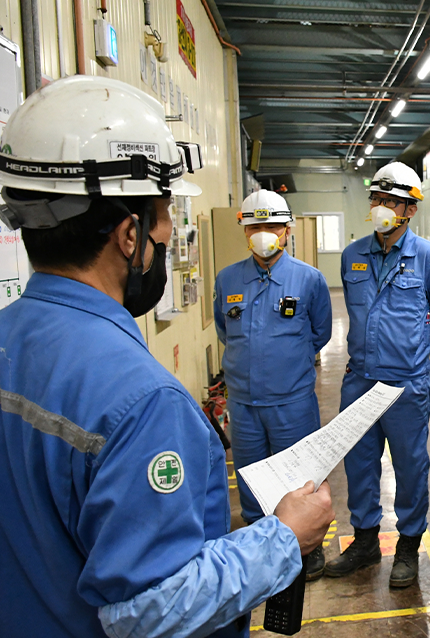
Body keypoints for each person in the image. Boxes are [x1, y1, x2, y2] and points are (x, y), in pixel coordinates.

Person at [0, 75, 334, 638]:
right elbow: (147, 609)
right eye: (163, 216)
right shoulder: (144, 402)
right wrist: (283, 539)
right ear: (129, 235)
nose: (168, 229)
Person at [325, 162, 430, 589]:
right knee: (359, 464)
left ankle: (408, 546)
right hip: (359, 378)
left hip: (406, 384)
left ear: (410, 209)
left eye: (391, 201)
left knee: (410, 465)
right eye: (377, 199)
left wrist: (409, 351)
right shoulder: (352, 256)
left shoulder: (429, 258)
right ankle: (364, 541)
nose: (381, 207)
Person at [214, 189, 332, 580]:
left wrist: (286, 365)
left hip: (293, 403)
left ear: (287, 229)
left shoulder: (309, 279)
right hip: (244, 405)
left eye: (271, 225)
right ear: (245, 230)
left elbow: (320, 332)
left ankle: (308, 548)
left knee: (300, 478)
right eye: (255, 226)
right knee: (250, 476)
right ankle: (259, 544)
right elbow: (224, 330)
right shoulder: (228, 278)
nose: (264, 233)